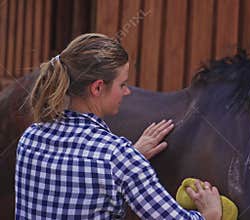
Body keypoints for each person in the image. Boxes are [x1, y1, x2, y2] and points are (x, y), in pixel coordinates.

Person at [15, 33, 222, 219]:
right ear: (97, 87)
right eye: (122, 84)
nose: (127, 92)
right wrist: (210, 215)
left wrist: (132, 156)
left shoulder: (30, 138)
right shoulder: (118, 158)